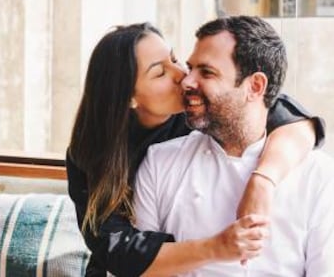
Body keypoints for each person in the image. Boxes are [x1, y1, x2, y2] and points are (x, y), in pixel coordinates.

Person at [67, 22, 325, 277]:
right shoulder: (94, 152)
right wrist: (218, 247)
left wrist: (263, 181)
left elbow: (292, 121)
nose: (182, 76)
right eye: (160, 72)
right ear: (129, 98)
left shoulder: (204, 113)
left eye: (174, 59)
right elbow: (118, 251)